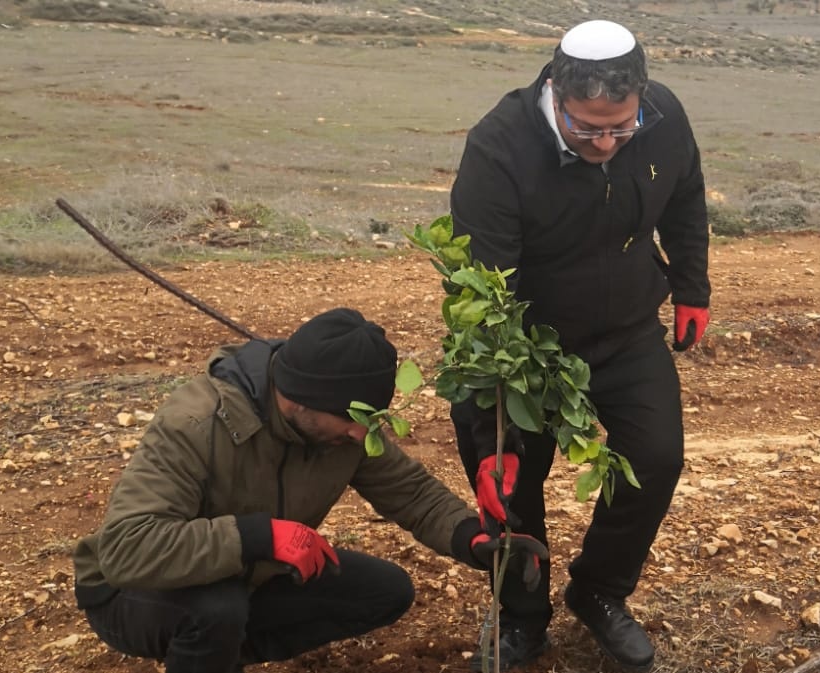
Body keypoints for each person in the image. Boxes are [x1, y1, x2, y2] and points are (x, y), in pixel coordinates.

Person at [71, 308, 548, 673]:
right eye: (352, 422)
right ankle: (207, 645)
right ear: (298, 401)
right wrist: (260, 538)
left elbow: (411, 493)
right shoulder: (195, 423)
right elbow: (126, 549)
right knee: (218, 609)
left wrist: (475, 539)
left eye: (369, 422)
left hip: (245, 577)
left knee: (385, 591)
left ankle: (216, 654)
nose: (362, 437)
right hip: (130, 593)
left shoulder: (342, 427)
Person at [449, 19, 711, 672]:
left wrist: (692, 286)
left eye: (619, 128)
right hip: (528, 344)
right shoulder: (499, 147)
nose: (604, 142)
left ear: (641, 100)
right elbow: (482, 294)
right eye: (586, 126)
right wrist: (490, 435)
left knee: (655, 456)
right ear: (555, 94)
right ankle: (522, 617)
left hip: (625, 330)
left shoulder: (664, 117)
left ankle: (599, 589)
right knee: (511, 484)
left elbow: (684, 197)